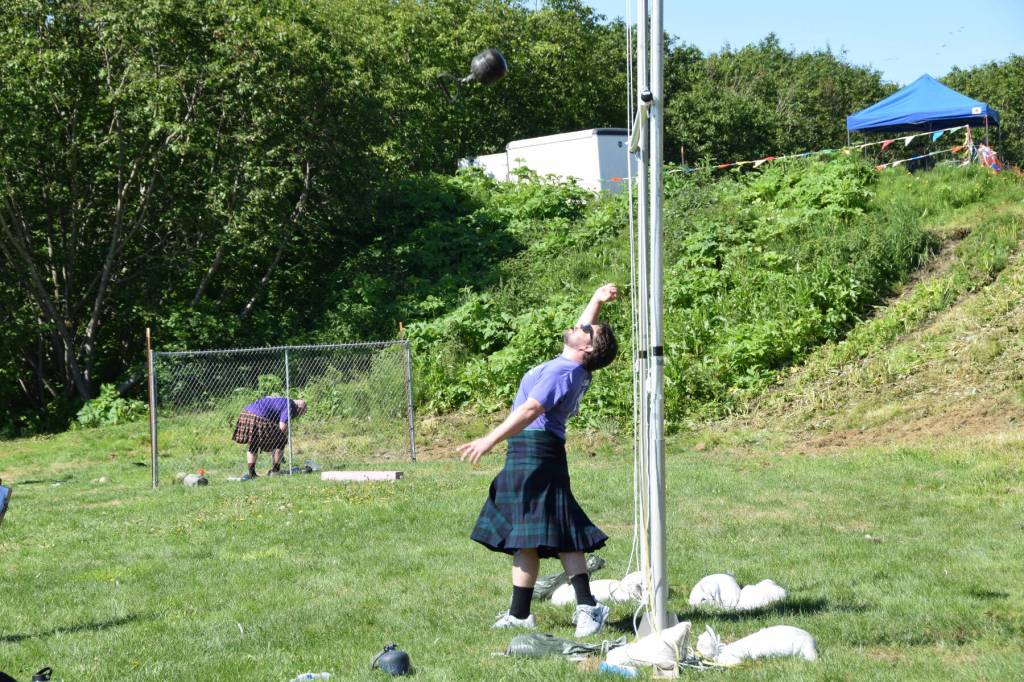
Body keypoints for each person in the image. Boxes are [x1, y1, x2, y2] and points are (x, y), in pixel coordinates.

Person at [459, 283, 619, 637]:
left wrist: (488, 440)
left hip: (537, 449)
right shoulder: (572, 364)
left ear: (587, 347)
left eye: (586, 330)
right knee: (526, 532)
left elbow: (532, 409)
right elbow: (585, 329)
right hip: (532, 448)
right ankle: (520, 615)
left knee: (559, 528)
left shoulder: (564, 372)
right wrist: (595, 300)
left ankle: (589, 607)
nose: (579, 326)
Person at [232, 396, 307, 479]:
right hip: (259, 417)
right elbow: (282, 427)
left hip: (246, 413)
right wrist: (284, 438)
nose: (298, 415)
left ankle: (251, 473)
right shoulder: (291, 406)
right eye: (300, 413)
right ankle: (275, 471)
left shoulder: (282, 399)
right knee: (280, 441)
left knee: (254, 443)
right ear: (299, 408)